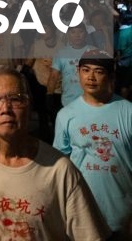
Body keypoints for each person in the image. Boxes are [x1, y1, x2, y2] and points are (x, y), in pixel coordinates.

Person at [0, 66, 110, 240]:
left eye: (15, 99)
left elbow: (89, 235)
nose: (5, 108)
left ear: (29, 106)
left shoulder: (60, 169)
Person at [53, 50, 132, 237]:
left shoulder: (128, 112)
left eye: (98, 71)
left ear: (110, 76)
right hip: (81, 213)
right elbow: (60, 165)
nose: (91, 77)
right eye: (86, 70)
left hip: (122, 213)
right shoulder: (66, 115)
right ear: (78, 72)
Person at [48, 23, 96, 108]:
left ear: (85, 33)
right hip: (68, 102)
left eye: (80, 31)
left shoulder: (94, 52)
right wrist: (49, 95)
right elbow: (53, 76)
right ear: (68, 35)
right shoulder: (61, 53)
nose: (77, 35)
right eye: (73, 32)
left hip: (91, 101)